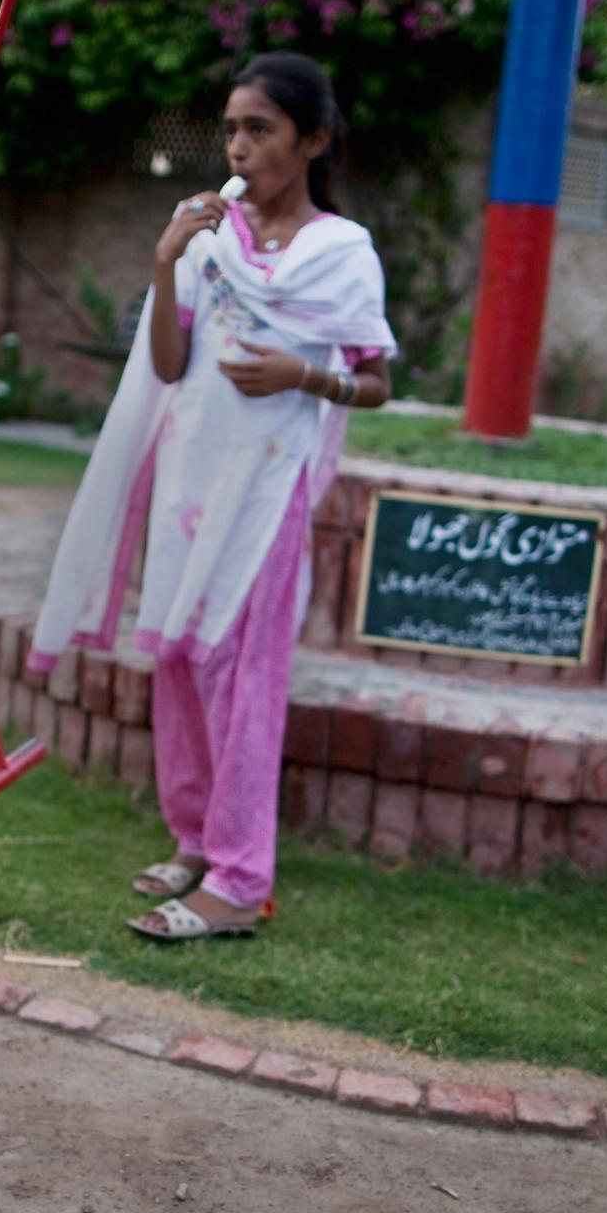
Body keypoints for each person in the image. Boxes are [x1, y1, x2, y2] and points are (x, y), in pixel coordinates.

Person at [30, 53, 396, 941]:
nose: (237, 146)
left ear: (312, 140)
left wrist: (304, 374)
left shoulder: (342, 253)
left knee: (243, 674)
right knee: (183, 660)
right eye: (230, 128)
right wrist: (166, 260)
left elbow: (377, 380)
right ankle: (195, 837)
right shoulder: (205, 236)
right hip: (190, 477)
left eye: (259, 129)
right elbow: (165, 363)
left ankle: (238, 880)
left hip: (267, 488)